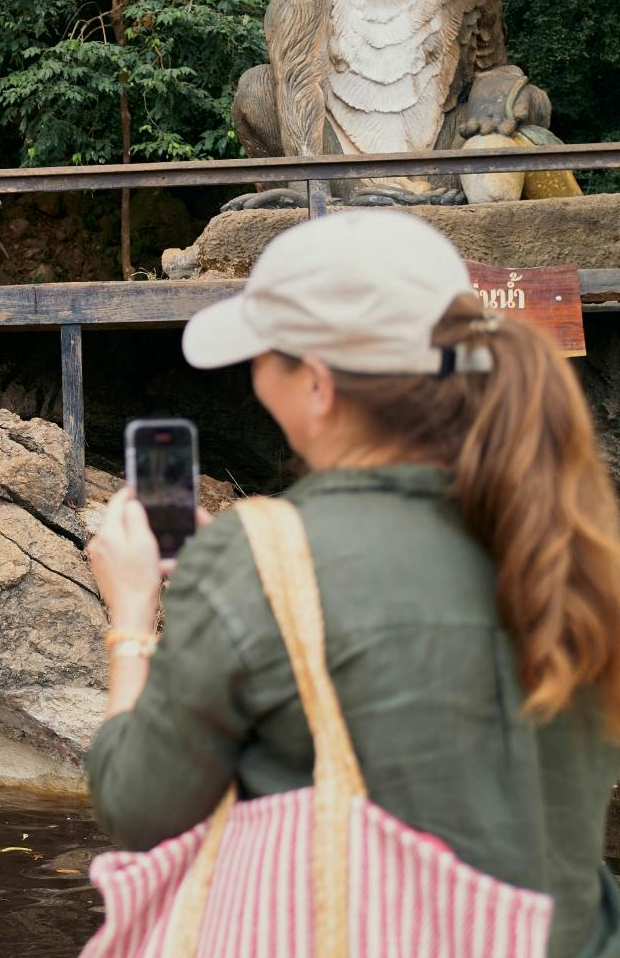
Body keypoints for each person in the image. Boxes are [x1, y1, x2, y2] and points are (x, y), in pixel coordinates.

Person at [85, 209, 620, 958]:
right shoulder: (578, 545)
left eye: (263, 355)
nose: (254, 375)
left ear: (318, 382)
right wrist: (257, 574)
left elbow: (137, 808)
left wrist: (133, 615)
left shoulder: (252, 556)